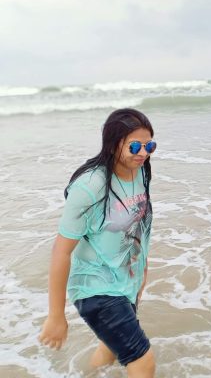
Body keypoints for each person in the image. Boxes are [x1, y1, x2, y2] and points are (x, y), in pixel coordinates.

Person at [39, 108, 157, 377]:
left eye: (149, 145)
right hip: (96, 288)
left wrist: (141, 271)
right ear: (114, 143)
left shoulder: (140, 171)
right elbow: (61, 251)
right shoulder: (89, 187)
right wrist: (56, 316)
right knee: (143, 360)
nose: (144, 153)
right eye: (135, 146)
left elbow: (138, 224)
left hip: (125, 280)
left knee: (110, 348)